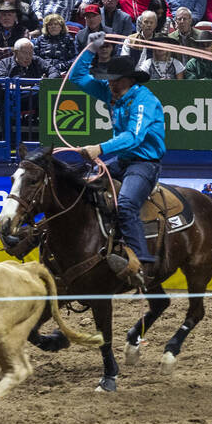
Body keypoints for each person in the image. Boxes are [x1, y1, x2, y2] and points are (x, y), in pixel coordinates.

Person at [70, 32, 167, 289]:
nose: (109, 85)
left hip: (144, 165)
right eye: (109, 81)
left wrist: (99, 148)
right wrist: (91, 49)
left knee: (125, 203)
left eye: (114, 81)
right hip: (123, 162)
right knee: (80, 186)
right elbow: (77, 78)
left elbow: (134, 137)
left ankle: (142, 262)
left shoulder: (144, 100)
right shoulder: (113, 93)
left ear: (127, 80)